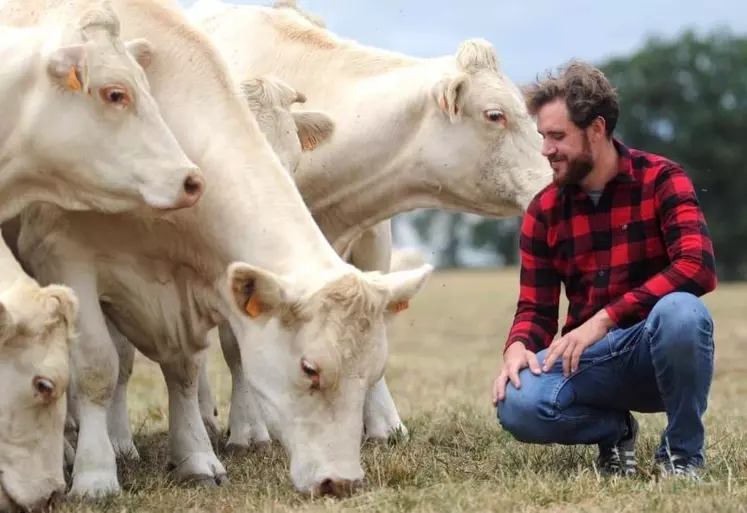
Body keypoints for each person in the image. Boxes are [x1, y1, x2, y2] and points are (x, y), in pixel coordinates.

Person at [491, 59, 717, 480]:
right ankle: (615, 431)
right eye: (543, 136)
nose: (546, 150)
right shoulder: (543, 210)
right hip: (586, 361)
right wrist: (518, 346)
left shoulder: (662, 179)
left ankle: (682, 456)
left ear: (597, 129)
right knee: (515, 405)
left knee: (683, 313)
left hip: (654, 350)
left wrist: (607, 318)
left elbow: (697, 266)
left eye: (557, 136)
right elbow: (536, 309)